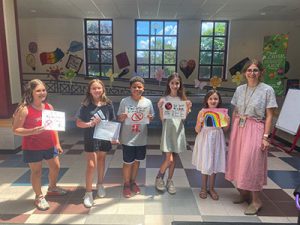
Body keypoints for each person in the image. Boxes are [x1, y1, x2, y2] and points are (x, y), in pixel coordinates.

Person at [225, 59, 278, 215]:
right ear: (244, 73)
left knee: (252, 162)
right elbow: (235, 110)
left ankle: (256, 201)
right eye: (249, 70)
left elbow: (269, 116)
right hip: (239, 127)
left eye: (255, 70)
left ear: (261, 72)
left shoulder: (267, 90)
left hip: (256, 128)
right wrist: (231, 129)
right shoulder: (240, 89)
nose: (252, 73)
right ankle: (244, 193)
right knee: (240, 160)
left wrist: (265, 137)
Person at [12, 79, 67, 211]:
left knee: (56, 167)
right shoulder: (24, 109)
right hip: (32, 147)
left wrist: (57, 143)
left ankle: (52, 187)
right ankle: (39, 196)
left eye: (43, 90)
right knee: (36, 172)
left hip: (49, 145)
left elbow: (54, 127)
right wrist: (32, 131)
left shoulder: (49, 107)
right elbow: (15, 130)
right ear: (31, 92)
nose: (42, 93)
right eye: (38, 91)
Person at [76, 79, 116, 208]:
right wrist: (89, 124)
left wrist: (114, 137)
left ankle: (100, 184)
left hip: (104, 137)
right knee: (91, 164)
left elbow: (112, 122)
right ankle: (88, 193)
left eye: (99, 88)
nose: (97, 90)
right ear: (90, 90)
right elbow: (78, 122)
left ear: (103, 89)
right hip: (90, 137)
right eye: (94, 88)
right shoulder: (85, 105)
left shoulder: (108, 104)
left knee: (102, 160)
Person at [155, 73, 192, 194]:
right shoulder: (164, 99)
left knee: (174, 159)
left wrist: (187, 108)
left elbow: (184, 118)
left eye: (177, 83)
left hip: (178, 131)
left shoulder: (183, 100)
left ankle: (170, 180)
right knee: (169, 159)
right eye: (172, 83)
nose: (175, 85)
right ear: (168, 84)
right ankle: (159, 177)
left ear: (180, 84)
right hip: (168, 131)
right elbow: (162, 119)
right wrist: (160, 108)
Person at [117, 76, 154, 198]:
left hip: (141, 138)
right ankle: (126, 184)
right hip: (127, 138)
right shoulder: (124, 101)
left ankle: (133, 182)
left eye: (139, 87)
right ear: (130, 88)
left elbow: (151, 117)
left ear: (143, 88)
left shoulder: (147, 102)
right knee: (128, 162)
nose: (137, 89)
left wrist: (149, 117)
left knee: (137, 161)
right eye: (134, 87)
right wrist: (122, 117)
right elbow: (119, 118)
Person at [192, 90, 230, 200]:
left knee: (214, 162)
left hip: (217, 139)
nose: (213, 101)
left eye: (215, 99)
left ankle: (212, 188)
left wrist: (227, 122)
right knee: (206, 162)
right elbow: (197, 129)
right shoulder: (202, 112)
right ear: (207, 100)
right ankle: (203, 188)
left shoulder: (222, 113)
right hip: (205, 139)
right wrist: (200, 121)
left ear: (219, 100)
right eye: (211, 99)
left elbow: (225, 130)